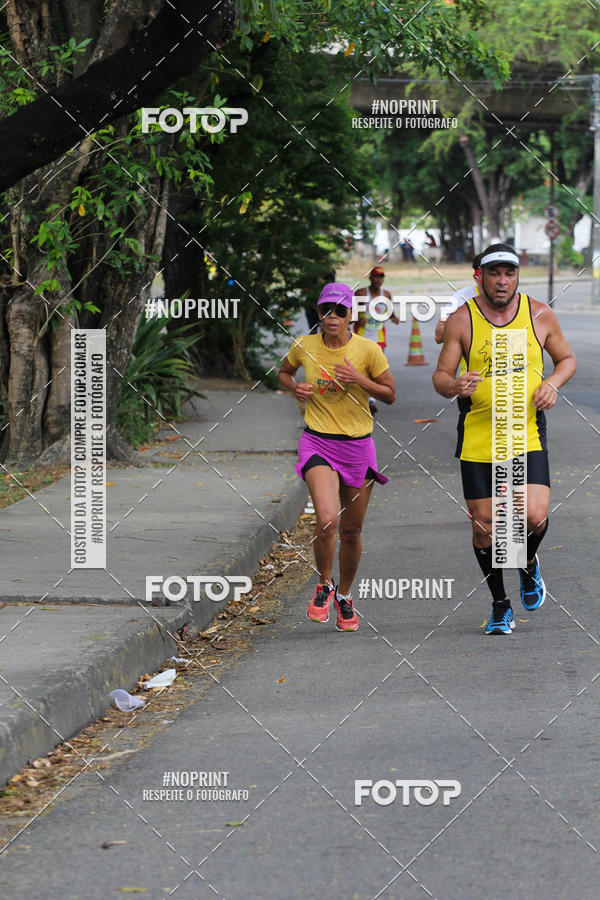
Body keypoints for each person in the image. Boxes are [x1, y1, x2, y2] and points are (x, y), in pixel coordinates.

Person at [432, 243, 577, 635]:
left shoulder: (539, 315)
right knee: (485, 526)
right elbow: (440, 376)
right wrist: (454, 385)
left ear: (517, 277)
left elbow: (567, 359)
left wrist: (552, 382)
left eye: (509, 273)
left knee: (532, 516)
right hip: (479, 434)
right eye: (494, 273)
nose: (501, 281)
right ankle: (501, 605)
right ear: (480, 276)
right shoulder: (462, 320)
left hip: (525, 431)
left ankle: (527, 563)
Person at [279, 283, 396, 632]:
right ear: (319, 313)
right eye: (326, 310)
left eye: (340, 311)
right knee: (327, 520)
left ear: (351, 315)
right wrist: (294, 387)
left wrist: (359, 379)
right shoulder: (304, 345)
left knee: (352, 531)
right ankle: (324, 584)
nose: (332, 317)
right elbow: (284, 372)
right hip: (318, 442)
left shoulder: (368, 350)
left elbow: (390, 394)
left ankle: (344, 596)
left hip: (358, 447)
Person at [354, 266, 399, 414]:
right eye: (376, 276)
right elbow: (350, 313)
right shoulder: (361, 293)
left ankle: (371, 400)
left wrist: (394, 318)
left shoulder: (386, 295)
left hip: (379, 336)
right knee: (360, 367)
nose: (379, 279)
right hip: (361, 335)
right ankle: (360, 398)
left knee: (376, 369)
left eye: (381, 277)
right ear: (370, 277)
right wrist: (357, 319)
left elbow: (390, 311)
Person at [435, 253, 482, 345]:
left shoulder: (510, 300)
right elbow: (438, 335)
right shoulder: (458, 298)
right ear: (476, 277)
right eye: (493, 274)